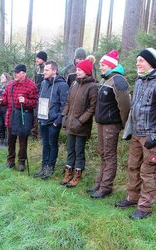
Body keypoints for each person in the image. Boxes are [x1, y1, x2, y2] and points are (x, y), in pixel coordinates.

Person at [115, 48, 156, 219]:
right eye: (137, 60)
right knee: (133, 167)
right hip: (136, 134)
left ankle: (144, 207)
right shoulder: (140, 81)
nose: (137, 63)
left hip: (151, 138)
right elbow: (135, 109)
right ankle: (132, 198)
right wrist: (129, 130)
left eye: (141, 60)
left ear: (151, 63)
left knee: (148, 172)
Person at [88, 50, 131, 199]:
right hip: (102, 123)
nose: (100, 66)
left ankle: (106, 187)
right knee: (103, 154)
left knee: (109, 155)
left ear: (111, 65)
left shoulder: (118, 81)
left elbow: (125, 105)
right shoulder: (106, 79)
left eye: (103, 64)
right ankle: (99, 183)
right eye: (100, 64)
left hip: (111, 125)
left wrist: (124, 125)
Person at [60, 56, 98, 187]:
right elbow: (68, 102)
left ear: (87, 71)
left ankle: (77, 174)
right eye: (77, 69)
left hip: (81, 127)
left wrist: (81, 121)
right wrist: (64, 116)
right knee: (70, 149)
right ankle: (68, 172)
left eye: (80, 70)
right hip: (70, 124)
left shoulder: (92, 86)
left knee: (78, 151)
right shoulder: (74, 84)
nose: (77, 71)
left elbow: (92, 108)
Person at [0, 64, 38, 171]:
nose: (15, 74)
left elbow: (35, 103)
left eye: (17, 72)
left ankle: (21, 162)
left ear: (23, 73)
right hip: (11, 116)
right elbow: (4, 98)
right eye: (14, 72)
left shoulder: (31, 86)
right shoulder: (10, 85)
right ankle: (10, 161)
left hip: (23, 117)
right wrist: (0, 101)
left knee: (23, 141)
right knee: (10, 140)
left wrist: (26, 101)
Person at [34, 60, 69, 180]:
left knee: (52, 144)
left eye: (47, 70)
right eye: (44, 70)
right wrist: (38, 115)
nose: (44, 72)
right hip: (43, 119)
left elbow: (64, 105)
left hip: (53, 121)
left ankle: (50, 167)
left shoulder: (62, 85)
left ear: (54, 71)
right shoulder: (44, 83)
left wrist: (57, 121)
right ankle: (43, 166)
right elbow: (40, 99)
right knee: (45, 144)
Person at [31, 51, 48, 139]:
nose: (36, 60)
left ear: (43, 59)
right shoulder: (37, 69)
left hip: (44, 96)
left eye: (38, 58)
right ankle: (34, 134)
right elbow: (33, 81)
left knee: (42, 115)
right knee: (34, 114)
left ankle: (41, 136)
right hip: (36, 95)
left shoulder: (47, 68)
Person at [0, 72, 12, 148]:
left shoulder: (8, 86)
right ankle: (1, 140)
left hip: (6, 108)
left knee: (6, 125)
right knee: (1, 125)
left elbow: (9, 98)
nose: (1, 78)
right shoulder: (0, 86)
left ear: (6, 78)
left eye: (2, 77)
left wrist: (2, 100)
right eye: (1, 77)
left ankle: (7, 140)